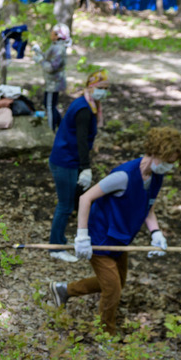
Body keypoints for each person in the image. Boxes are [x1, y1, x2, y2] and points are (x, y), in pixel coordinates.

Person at [49, 127, 181, 335]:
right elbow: (85, 198)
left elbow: (148, 208)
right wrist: (82, 236)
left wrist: (156, 233)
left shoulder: (155, 177)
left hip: (121, 239)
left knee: (116, 282)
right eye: (168, 160)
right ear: (155, 153)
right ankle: (107, 334)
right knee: (113, 290)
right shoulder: (124, 176)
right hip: (99, 238)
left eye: (174, 162)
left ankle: (63, 290)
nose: (171, 166)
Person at [47, 69, 110, 263]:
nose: (103, 92)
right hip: (65, 161)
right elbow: (81, 141)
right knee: (65, 206)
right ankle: (55, 246)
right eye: (100, 88)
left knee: (69, 202)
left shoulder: (88, 104)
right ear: (91, 87)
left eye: (106, 88)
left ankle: (61, 239)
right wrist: (86, 167)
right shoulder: (83, 109)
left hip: (68, 159)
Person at [32, 22, 69, 131]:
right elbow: (49, 58)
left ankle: (51, 129)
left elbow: (51, 67)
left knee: (49, 106)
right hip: (52, 82)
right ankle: (62, 127)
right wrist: (40, 53)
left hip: (54, 83)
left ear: (59, 35)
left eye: (53, 33)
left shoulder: (59, 49)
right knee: (51, 105)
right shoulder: (56, 46)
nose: (51, 34)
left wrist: (40, 61)